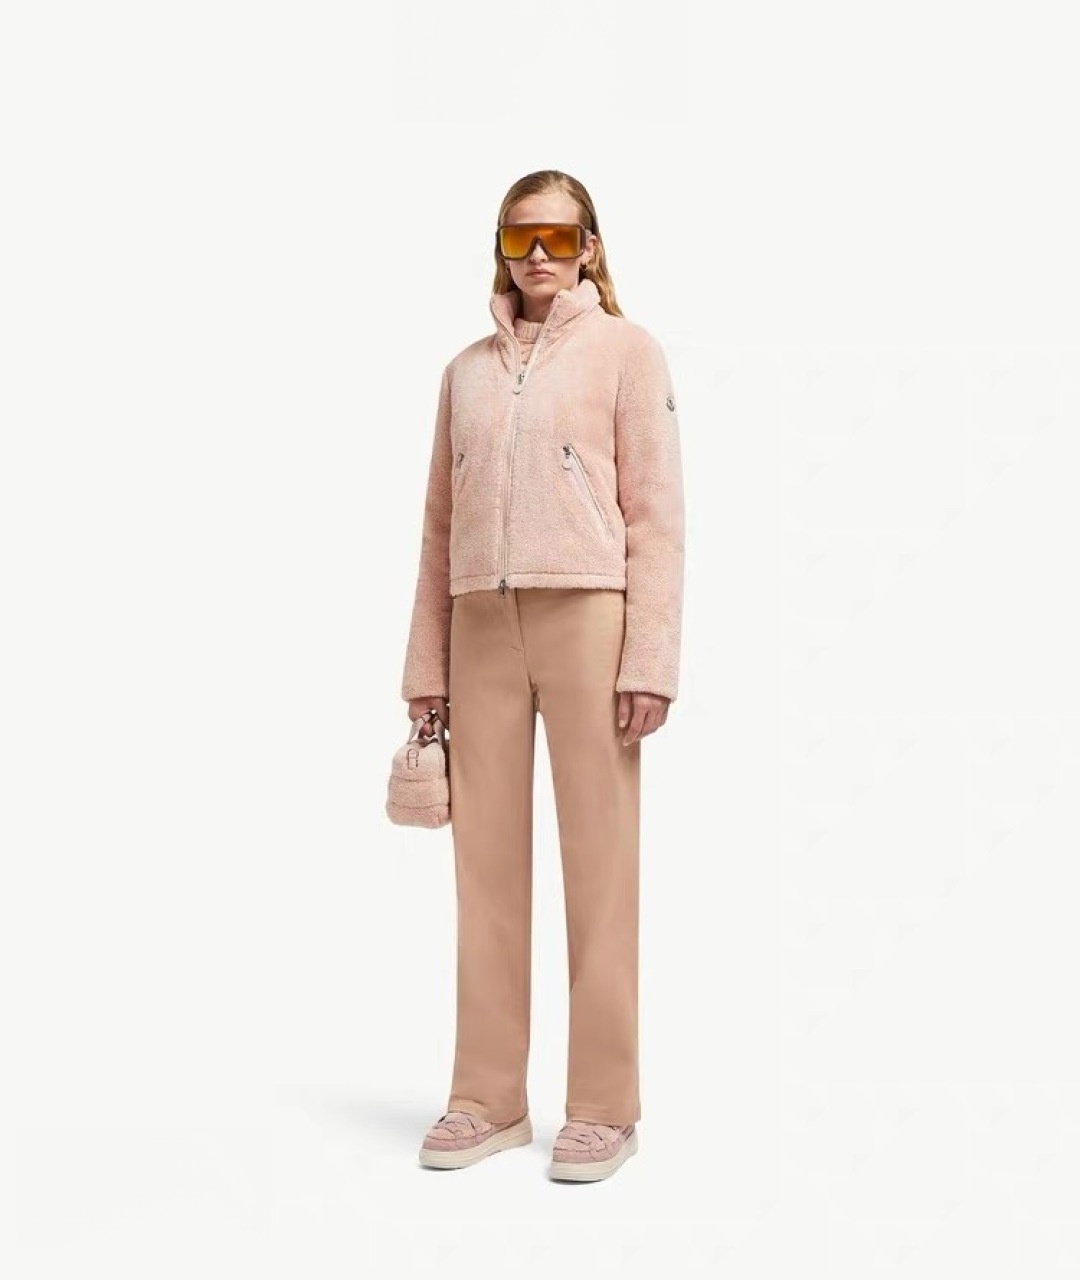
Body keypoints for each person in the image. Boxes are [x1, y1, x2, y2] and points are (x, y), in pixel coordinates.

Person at [399, 169, 685, 1182]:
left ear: (589, 247)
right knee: (483, 868)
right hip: (480, 620)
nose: (537, 255)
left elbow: (657, 514)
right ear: (501, 245)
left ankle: (605, 1106)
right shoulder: (465, 371)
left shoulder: (626, 351)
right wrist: (424, 665)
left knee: (599, 864)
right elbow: (437, 526)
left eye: (557, 237)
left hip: (588, 617)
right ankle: (488, 1098)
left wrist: (649, 658)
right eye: (519, 236)